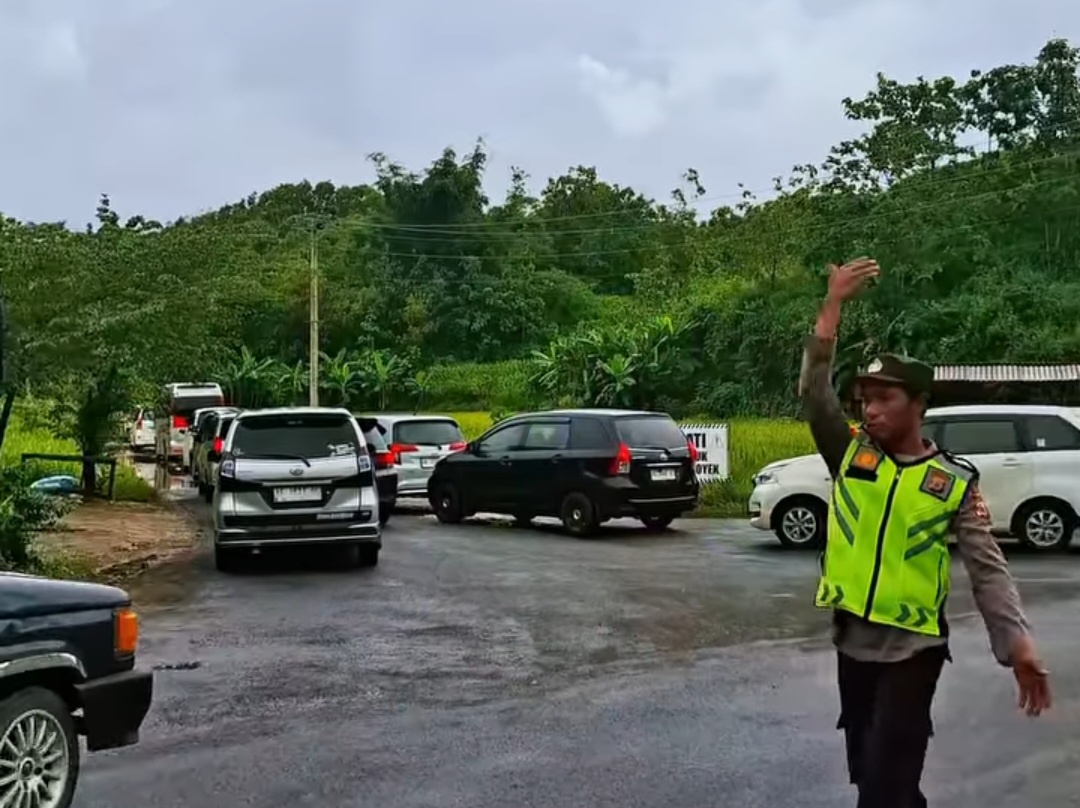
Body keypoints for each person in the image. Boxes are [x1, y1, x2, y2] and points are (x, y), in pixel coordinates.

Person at [800, 257, 1052, 808]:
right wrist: (833, 304)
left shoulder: (953, 480)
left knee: (887, 778)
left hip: (914, 650)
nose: (870, 410)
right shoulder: (850, 454)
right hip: (852, 642)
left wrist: (1017, 644)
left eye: (885, 398)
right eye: (865, 399)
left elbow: (988, 569)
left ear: (919, 404)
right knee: (873, 774)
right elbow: (814, 393)